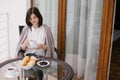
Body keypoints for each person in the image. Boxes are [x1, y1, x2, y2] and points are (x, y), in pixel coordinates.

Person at [16, 7, 56, 80]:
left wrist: (42, 46)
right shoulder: (26, 29)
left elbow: (50, 47)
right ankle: (35, 76)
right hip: (28, 57)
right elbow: (21, 48)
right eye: (30, 18)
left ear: (39, 16)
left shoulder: (46, 29)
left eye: (34, 17)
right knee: (30, 69)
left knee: (36, 70)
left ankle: (35, 76)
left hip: (41, 57)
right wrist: (24, 44)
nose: (32, 20)